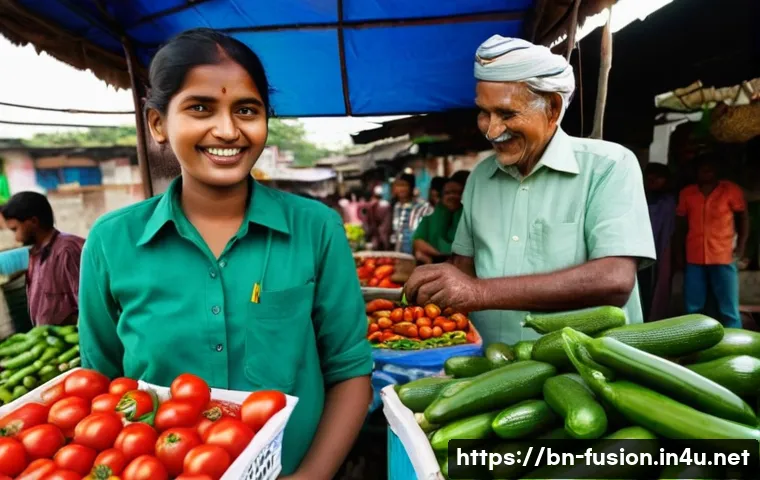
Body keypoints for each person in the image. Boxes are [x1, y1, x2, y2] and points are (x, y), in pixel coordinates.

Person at [77, 29, 372, 479]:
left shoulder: (316, 228)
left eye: (247, 111)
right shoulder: (111, 241)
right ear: (158, 123)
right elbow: (100, 384)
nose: (228, 130)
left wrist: (310, 476)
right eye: (200, 108)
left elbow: (349, 370)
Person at [403, 35, 656, 345]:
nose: (492, 130)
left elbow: (614, 279)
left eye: (507, 114)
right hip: (490, 367)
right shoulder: (481, 176)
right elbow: (464, 268)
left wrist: (479, 293)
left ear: (552, 108)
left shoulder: (609, 166)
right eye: (484, 112)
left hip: (584, 372)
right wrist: (438, 280)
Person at [675, 154, 748, 329]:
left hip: (723, 255)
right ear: (696, 171)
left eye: (710, 167)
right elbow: (680, 227)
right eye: (702, 168)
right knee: (693, 308)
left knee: (729, 309)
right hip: (694, 256)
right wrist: (678, 253)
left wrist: (742, 247)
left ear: (717, 170)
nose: (706, 171)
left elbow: (744, 218)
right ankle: (693, 346)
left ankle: (736, 346)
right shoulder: (687, 193)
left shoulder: (731, 190)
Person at [1, 191, 84, 326]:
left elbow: (90, 305)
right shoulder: (37, 254)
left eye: (15, 229)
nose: (16, 238)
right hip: (52, 340)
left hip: (75, 341)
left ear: (33, 221)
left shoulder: (67, 251)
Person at [639, 163, 677, 321]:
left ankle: (650, 319)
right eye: (649, 177)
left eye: (658, 178)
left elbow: (671, 230)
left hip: (660, 250)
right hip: (637, 250)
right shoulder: (636, 196)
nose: (652, 181)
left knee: (654, 286)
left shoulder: (669, 202)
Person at [413, 171, 470, 264]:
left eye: (458, 193)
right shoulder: (429, 218)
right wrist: (441, 256)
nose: (453, 196)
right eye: (448, 193)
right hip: (436, 264)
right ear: (441, 196)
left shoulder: (469, 217)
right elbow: (418, 242)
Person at [391, 173, 433, 254]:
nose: (401, 189)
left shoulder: (423, 206)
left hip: (418, 254)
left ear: (411, 187)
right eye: (398, 185)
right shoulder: (397, 206)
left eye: (404, 185)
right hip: (400, 253)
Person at [365, 185, 392, 251]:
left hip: (380, 229)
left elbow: (370, 218)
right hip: (383, 229)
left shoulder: (373, 203)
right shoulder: (386, 203)